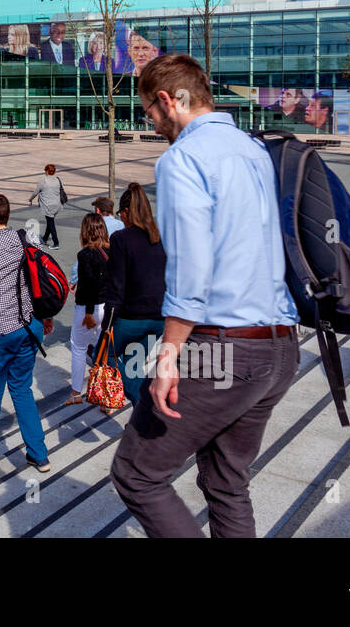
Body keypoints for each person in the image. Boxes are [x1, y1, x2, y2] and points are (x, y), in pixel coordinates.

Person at [110, 54, 298, 539]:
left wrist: (169, 351)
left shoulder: (183, 158)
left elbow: (192, 268)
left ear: (169, 101)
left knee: (136, 473)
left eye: (149, 111)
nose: (151, 123)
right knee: (227, 483)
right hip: (279, 345)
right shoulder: (255, 150)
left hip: (223, 347)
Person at [0, 193, 51, 472]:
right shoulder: (24, 239)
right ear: (7, 215)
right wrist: (45, 317)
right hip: (28, 326)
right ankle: (38, 454)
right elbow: (42, 279)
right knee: (22, 389)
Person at [102, 182, 168, 404]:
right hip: (160, 317)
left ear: (127, 212)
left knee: (103, 355)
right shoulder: (160, 237)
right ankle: (145, 417)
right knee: (133, 363)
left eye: (121, 214)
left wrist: (107, 326)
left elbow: (116, 286)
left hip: (132, 317)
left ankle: (146, 409)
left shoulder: (121, 239)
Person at [67, 213, 110, 405]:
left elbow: (90, 284)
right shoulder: (111, 251)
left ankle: (76, 393)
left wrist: (90, 312)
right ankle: (106, 396)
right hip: (108, 307)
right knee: (105, 351)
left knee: (78, 347)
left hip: (88, 309)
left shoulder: (85, 255)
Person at [29, 164, 65, 249]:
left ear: (46, 171)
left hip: (47, 206)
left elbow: (36, 192)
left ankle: (56, 243)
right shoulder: (57, 180)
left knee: (51, 224)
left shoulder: (43, 180)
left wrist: (30, 199)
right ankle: (45, 238)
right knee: (50, 221)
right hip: (57, 205)